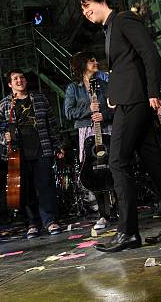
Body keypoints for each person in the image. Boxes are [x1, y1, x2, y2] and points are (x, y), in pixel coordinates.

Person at [78, 0, 161, 252]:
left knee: (117, 161)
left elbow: (149, 53)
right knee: (154, 162)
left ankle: (128, 231)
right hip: (128, 99)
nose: (85, 12)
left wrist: (154, 91)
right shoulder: (109, 29)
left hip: (135, 101)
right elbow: (126, 64)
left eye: (86, 5)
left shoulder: (124, 18)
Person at [0, 69, 62, 238]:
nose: (19, 80)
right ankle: (32, 223)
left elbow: (52, 124)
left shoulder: (39, 99)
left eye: (21, 77)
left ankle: (50, 221)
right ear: (10, 84)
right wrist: (4, 137)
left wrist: (58, 145)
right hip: (18, 153)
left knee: (46, 186)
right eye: (15, 78)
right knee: (27, 189)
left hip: (42, 148)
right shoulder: (3, 105)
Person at [64, 52, 114, 230]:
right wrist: (88, 108)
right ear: (82, 64)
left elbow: (115, 106)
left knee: (112, 166)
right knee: (94, 170)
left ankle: (118, 208)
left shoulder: (105, 84)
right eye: (91, 60)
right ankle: (103, 213)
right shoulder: (73, 88)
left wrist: (105, 114)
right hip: (87, 131)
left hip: (107, 127)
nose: (95, 62)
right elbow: (69, 112)